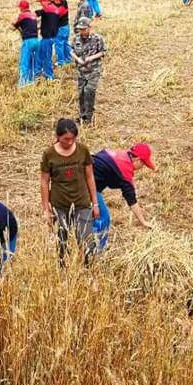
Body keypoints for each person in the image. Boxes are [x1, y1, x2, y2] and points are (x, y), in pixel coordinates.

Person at [40, 119, 99, 267]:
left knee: (86, 239)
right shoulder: (49, 154)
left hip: (82, 202)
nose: (70, 142)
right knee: (62, 241)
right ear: (58, 136)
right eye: (66, 139)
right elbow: (44, 182)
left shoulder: (83, 150)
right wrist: (46, 209)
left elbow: (90, 176)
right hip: (60, 204)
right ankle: (63, 269)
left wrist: (95, 203)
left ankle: (87, 269)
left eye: (73, 138)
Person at [92, 143, 156, 250]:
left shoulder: (120, 155)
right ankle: (96, 251)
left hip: (84, 179)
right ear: (138, 160)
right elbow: (131, 200)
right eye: (143, 164)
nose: (142, 167)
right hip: (86, 185)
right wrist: (143, 221)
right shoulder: (125, 169)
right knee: (103, 218)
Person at [71, 17, 107, 124]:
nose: (82, 31)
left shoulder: (97, 39)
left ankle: (89, 117)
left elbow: (103, 52)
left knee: (89, 91)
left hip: (94, 70)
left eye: (84, 29)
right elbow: (71, 50)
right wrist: (77, 59)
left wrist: (91, 58)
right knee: (81, 93)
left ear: (89, 28)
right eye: (80, 29)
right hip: (81, 71)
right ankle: (83, 115)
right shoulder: (76, 38)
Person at [12, 0, 39, 87]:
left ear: (22, 8)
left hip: (28, 41)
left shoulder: (22, 15)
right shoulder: (34, 15)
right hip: (36, 41)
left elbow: (13, 26)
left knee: (24, 62)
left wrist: (13, 23)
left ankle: (22, 83)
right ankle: (32, 81)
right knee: (33, 62)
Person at [35, 0, 60, 80]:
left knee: (46, 57)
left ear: (46, 1)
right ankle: (38, 73)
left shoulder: (47, 9)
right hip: (51, 36)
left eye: (41, 2)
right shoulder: (55, 9)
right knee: (40, 54)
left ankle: (50, 76)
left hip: (47, 37)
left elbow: (36, 14)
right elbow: (49, 22)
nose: (41, 4)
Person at [53, 0, 72, 66]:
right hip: (66, 27)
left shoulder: (61, 9)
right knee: (65, 43)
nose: (54, 1)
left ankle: (61, 62)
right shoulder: (64, 3)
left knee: (59, 44)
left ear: (59, 0)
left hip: (60, 28)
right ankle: (68, 59)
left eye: (56, 0)